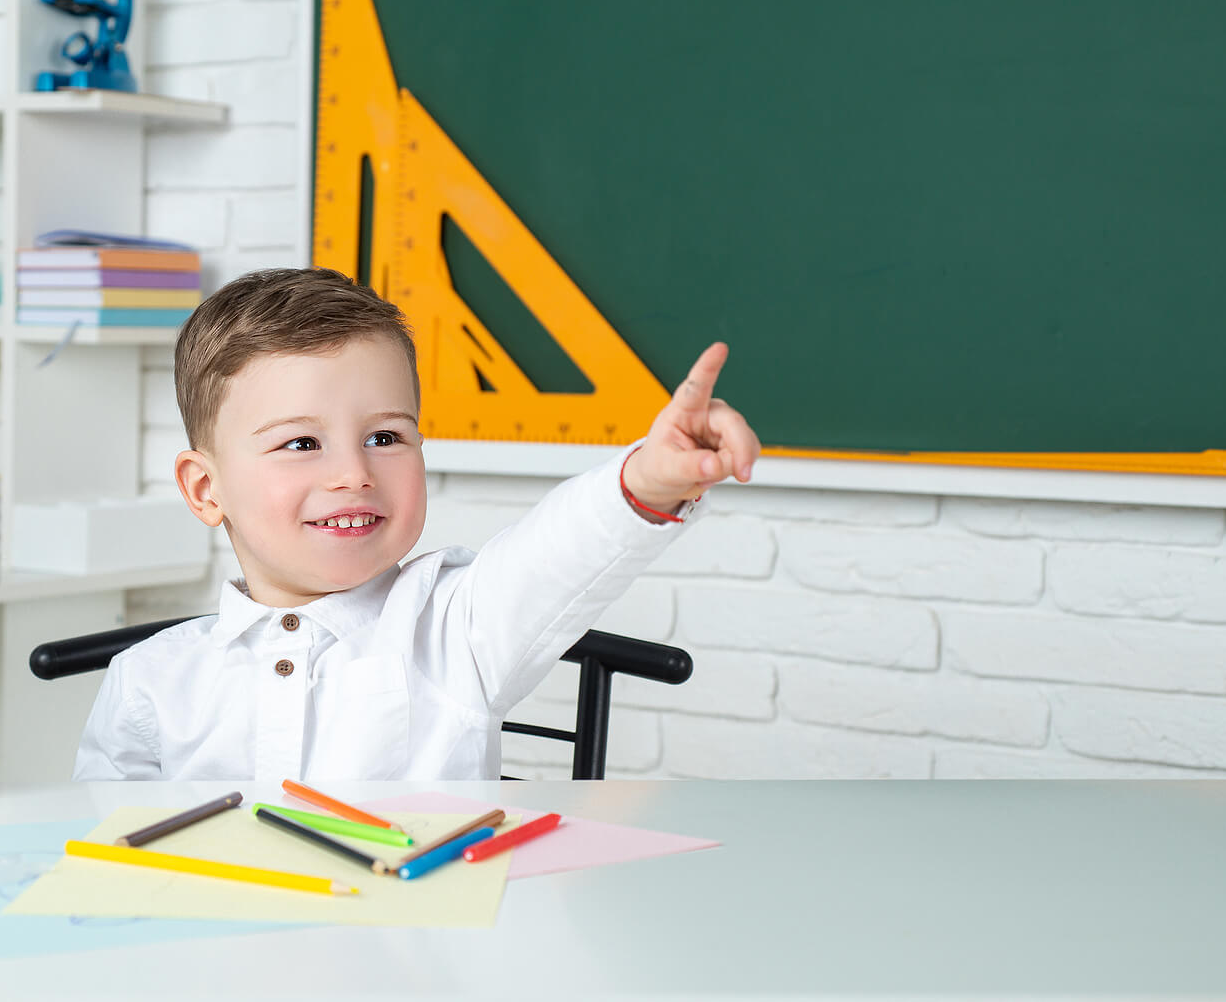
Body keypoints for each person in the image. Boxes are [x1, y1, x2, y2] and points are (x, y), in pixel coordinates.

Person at [73, 267, 757, 780]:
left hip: (418, 959)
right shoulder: (150, 680)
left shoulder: (455, 626)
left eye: (386, 437)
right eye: (302, 444)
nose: (353, 474)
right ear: (205, 488)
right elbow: (104, 854)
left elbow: (556, 558)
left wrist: (648, 480)